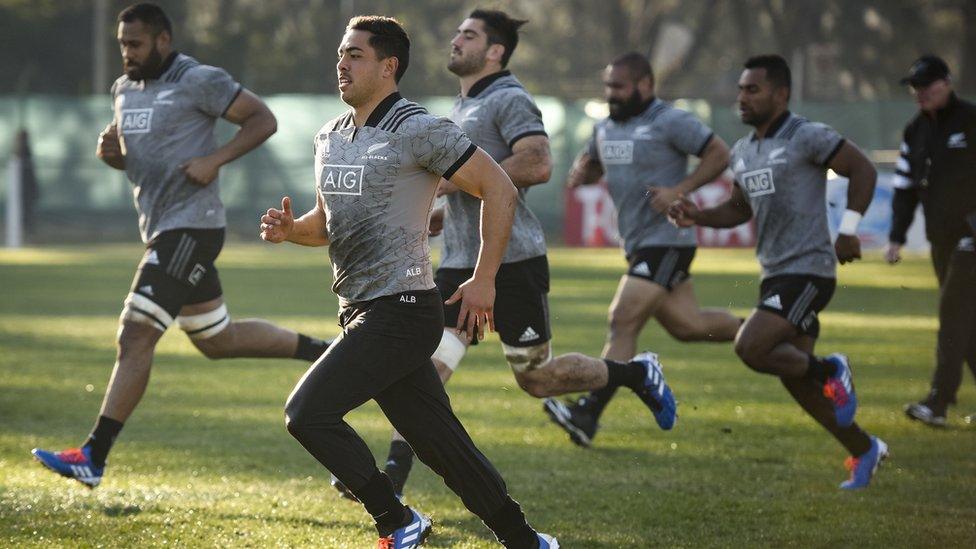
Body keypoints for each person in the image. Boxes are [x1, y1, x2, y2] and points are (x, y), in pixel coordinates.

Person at [331, 12, 682, 501]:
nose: (455, 40)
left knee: (537, 378)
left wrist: (451, 183)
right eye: (457, 32)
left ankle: (636, 372)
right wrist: (438, 208)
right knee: (425, 365)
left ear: (495, 51)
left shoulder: (508, 97)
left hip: (512, 262)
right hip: (458, 262)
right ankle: (393, 474)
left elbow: (537, 162)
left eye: (468, 35)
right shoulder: (462, 103)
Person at [259, 15, 557, 548]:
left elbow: (501, 188)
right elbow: (324, 225)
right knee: (444, 447)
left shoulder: (419, 128)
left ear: (388, 66)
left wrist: (484, 278)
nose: (342, 64)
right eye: (341, 54)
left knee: (307, 413)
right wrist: (291, 231)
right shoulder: (329, 137)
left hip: (403, 309)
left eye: (355, 55)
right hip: (359, 309)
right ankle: (526, 539)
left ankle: (395, 519)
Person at [31, 2, 330, 489]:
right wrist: (113, 158)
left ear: (163, 41)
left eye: (136, 44)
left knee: (135, 335)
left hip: (191, 228)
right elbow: (136, 161)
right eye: (122, 44)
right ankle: (327, 351)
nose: (126, 53)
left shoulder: (199, 79)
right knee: (217, 340)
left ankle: (93, 455)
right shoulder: (124, 90)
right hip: (162, 227)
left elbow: (263, 119)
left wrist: (215, 159)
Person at [668, 54, 887, 489]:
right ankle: (865, 449)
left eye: (753, 89)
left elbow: (861, 168)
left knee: (751, 346)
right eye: (740, 89)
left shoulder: (806, 136)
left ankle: (831, 369)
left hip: (809, 269)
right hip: (775, 273)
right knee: (794, 379)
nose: (742, 97)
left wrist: (848, 230)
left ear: (781, 93)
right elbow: (738, 208)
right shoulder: (744, 150)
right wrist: (698, 216)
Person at [544, 52, 741, 448]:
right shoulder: (603, 128)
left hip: (668, 241)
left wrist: (680, 190)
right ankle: (761, 333)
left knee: (623, 319)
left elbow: (720, 153)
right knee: (689, 326)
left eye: (619, 86)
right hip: (637, 245)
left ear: (645, 85)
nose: (611, 94)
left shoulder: (670, 120)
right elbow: (594, 165)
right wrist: (584, 174)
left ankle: (588, 414)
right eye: (607, 87)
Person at [887, 55, 976, 428]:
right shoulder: (915, 131)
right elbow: (905, 188)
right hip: (940, 239)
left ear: (947, 82)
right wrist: (896, 237)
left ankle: (938, 402)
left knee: (952, 315)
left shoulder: (971, 120)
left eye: (926, 85)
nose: (919, 93)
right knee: (967, 324)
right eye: (914, 87)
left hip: (972, 237)